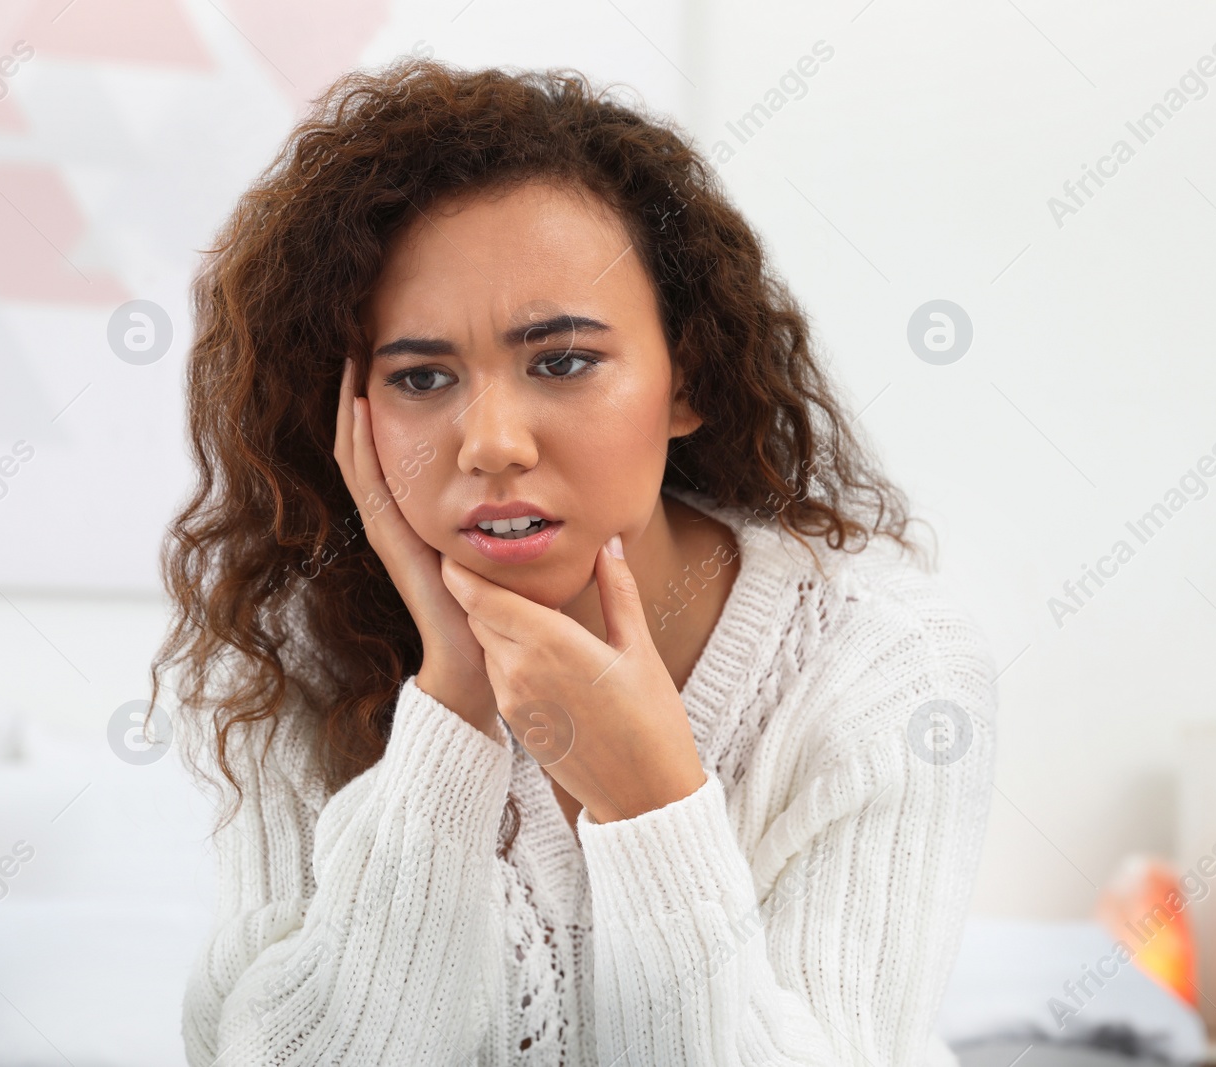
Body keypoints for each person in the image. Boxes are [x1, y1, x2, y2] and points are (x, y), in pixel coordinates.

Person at [155, 56, 997, 1066]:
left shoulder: (883, 663)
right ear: (352, 420)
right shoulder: (303, 651)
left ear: (686, 380)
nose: (492, 441)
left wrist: (653, 804)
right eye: (421, 376)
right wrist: (451, 698)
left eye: (561, 361)